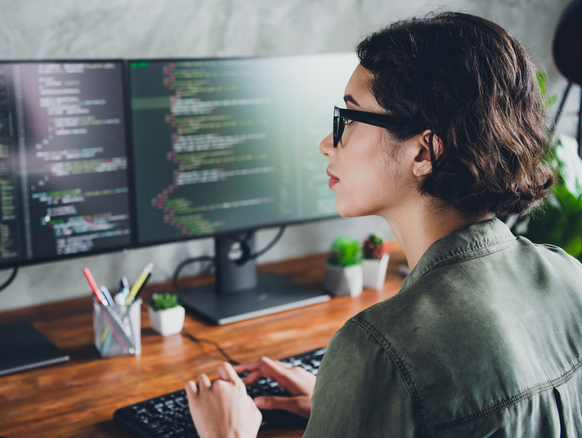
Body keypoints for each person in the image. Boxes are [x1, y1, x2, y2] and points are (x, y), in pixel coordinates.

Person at [185, 11, 582, 437]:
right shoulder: (570, 278)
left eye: (350, 119)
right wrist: (349, 400)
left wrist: (227, 431)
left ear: (424, 153)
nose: (326, 143)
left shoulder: (378, 349)